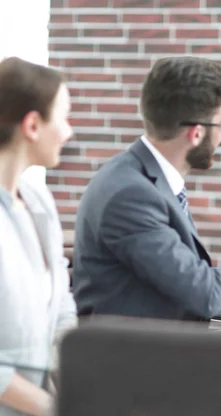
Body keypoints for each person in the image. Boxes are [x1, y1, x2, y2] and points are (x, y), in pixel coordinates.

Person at [72, 57, 221, 321]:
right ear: (196, 133)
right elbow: (203, 292)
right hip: (133, 358)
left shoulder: (142, 179)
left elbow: (179, 284)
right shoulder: (131, 194)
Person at [0, 57, 77, 416]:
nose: (68, 131)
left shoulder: (38, 200)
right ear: (32, 124)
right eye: (62, 118)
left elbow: (61, 305)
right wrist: (55, 408)